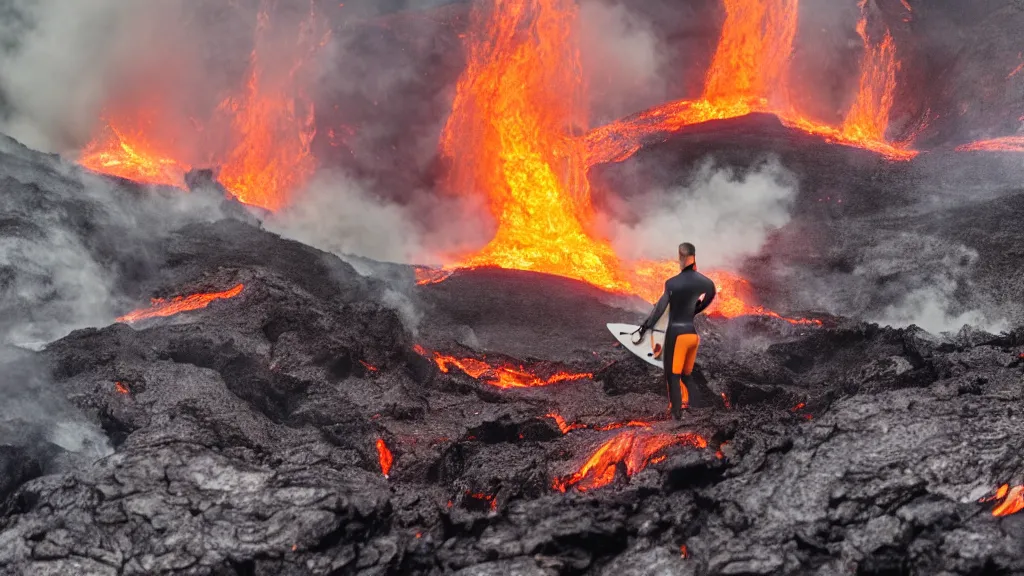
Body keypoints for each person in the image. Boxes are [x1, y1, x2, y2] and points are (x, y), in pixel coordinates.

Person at [634, 242, 717, 419]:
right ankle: (699, 411)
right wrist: (696, 309)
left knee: (673, 376)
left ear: (680, 258)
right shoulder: (706, 282)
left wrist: (646, 327)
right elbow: (710, 297)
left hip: (677, 336)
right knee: (687, 376)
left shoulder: (672, 284)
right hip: (692, 336)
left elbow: (659, 310)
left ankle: (677, 417)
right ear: (694, 259)